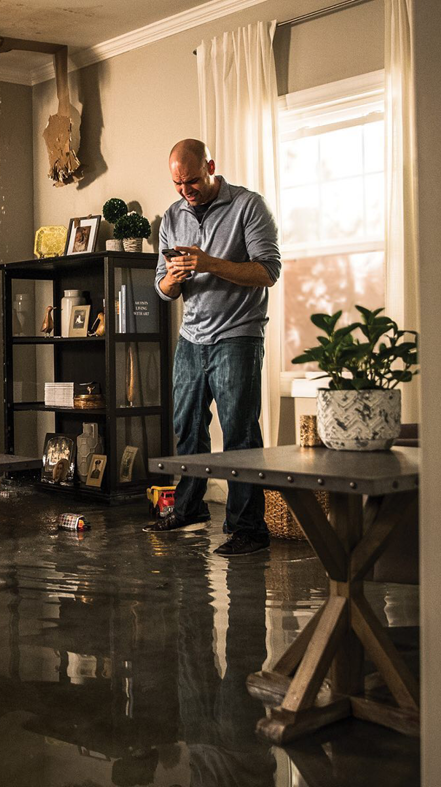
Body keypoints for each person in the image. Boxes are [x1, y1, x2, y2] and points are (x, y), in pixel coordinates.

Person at [150, 139, 280, 556]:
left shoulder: (248, 206)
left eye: (192, 180)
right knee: (187, 428)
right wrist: (174, 276)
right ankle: (189, 509)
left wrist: (208, 263)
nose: (186, 190)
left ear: (210, 165)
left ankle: (248, 528)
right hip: (191, 337)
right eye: (177, 183)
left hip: (238, 334)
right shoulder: (172, 217)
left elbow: (268, 271)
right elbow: (163, 288)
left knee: (240, 434)